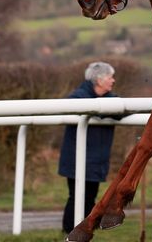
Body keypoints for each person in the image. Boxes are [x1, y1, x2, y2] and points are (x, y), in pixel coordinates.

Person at [58, 61, 118, 234]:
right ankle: (69, 231)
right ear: (99, 80)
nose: (113, 81)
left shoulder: (109, 99)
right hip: (76, 160)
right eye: (110, 77)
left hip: (95, 161)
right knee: (76, 197)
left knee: (89, 197)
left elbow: (119, 109)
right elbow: (73, 104)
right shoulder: (78, 96)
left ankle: (84, 230)